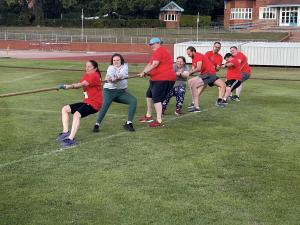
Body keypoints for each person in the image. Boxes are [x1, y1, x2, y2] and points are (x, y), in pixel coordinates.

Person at [57, 60, 103, 149]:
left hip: (95, 104)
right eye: (86, 66)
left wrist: (67, 86)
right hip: (87, 102)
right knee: (65, 109)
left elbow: (81, 84)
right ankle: (65, 132)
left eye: (89, 67)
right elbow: (78, 86)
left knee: (76, 115)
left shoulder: (94, 75)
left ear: (95, 68)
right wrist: (66, 86)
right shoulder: (87, 74)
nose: (87, 68)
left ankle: (71, 139)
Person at [93, 53, 137, 132]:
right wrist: (109, 78)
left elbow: (122, 75)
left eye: (118, 60)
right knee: (105, 105)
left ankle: (129, 123)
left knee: (133, 101)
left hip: (121, 92)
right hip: (109, 92)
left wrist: (116, 77)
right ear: (112, 61)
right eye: (114, 60)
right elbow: (109, 76)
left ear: (121, 60)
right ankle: (97, 124)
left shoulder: (125, 66)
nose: (116, 62)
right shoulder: (110, 67)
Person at [138, 37, 176, 127]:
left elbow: (155, 64)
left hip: (163, 78)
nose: (151, 46)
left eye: (152, 44)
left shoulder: (160, 50)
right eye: (150, 45)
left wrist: (145, 72)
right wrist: (144, 72)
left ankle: (159, 120)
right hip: (155, 78)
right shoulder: (157, 53)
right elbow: (150, 64)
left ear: (158, 43)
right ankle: (149, 115)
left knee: (157, 98)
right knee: (149, 95)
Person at [186, 46, 226, 112]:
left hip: (209, 74)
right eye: (187, 54)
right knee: (190, 81)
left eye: (189, 54)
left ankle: (196, 106)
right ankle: (195, 102)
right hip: (207, 74)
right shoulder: (194, 58)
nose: (188, 55)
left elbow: (198, 68)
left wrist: (189, 72)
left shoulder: (198, 56)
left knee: (194, 86)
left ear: (193, 52)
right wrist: (189, 73)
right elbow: (194, 69)